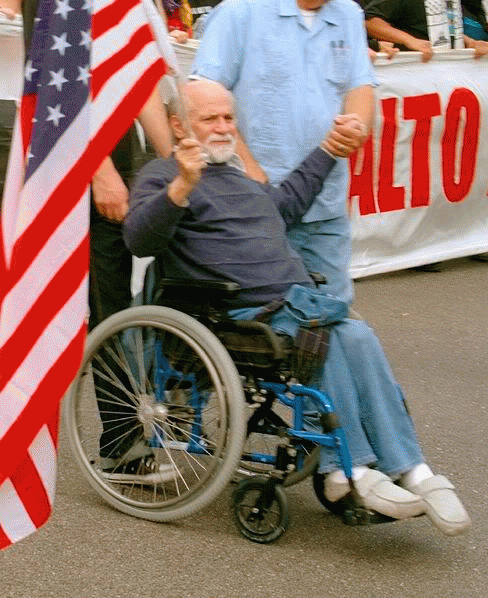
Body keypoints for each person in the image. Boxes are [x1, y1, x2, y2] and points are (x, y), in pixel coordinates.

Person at [124, 80, 471, 536]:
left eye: (229, 117)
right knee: (325, 335)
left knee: (355, 334)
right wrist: (182, 185)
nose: (224, 126)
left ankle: (412, 470)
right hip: (236, 312)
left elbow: (285, 205)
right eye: (210, 118)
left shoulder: (239, 178)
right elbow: (139, 239)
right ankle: (351, 471)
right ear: (176, 125)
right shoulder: (162, 174)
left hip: (294, 304)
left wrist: (327, 150)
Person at [191, 0, 376, 307]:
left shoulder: (349, 14)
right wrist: (247, 165)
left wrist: (358, 124)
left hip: (324, 202)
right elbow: (203, 96)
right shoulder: (239, 11)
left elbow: (361, 87)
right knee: (261, 313)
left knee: (331, 309)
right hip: (254, 204)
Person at [363, 0, 488, 62]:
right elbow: (370, 22)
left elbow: (443, 28)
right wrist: (410, 40)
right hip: (413, 74)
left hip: (446, 74)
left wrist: (469, 42)